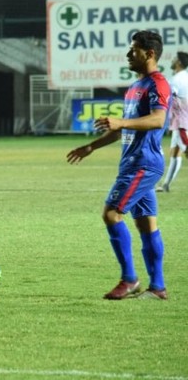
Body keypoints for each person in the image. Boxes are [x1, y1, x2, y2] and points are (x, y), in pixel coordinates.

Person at [66, 30, 171, 301]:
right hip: (132, 163)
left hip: (143, 164)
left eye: (133, 49)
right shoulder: (136, 87)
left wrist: (122, 123)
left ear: (149, 54)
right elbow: (120, 129)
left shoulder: (158, 84)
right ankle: (158, 288)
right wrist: (91, 147)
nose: (128, 54)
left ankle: (129, 279)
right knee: (146, 224)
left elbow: (158, 120)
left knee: (111, 214)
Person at [156, 51, 188, 192]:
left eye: (174, 58)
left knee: (186, 150)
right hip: (180, 121)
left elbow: (166, 100)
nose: (172, 60)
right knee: (175, 154)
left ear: (179, 63)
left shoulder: (176, 80)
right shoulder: (184, 77)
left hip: (182, 123)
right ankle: (166, 185)